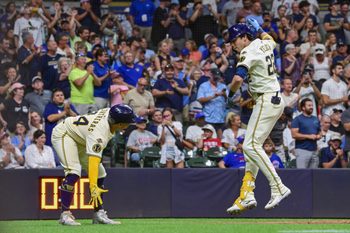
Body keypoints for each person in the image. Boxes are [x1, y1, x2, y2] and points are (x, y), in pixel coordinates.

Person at [226, 19, 291, 215]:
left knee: (250, 146)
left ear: (245, 38)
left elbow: (238, 78)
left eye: (234, 40)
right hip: (272, 99)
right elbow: (269, 38)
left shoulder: (248, 51)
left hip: (266, 99)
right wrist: (261, 28)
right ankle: (247, 194)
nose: (232, 45)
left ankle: (278, 186)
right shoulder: (264, 44)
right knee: (251, 148)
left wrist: (230, 94)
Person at [52, 104, 135, 225]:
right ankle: (65, 215)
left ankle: (98, 214)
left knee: (101, 173)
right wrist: (93, 186)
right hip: (65, 134)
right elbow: (93, 162)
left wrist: (94, 184)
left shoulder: (111, 114)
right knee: (74, 172)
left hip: (82, 137)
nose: (130, 124)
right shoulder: (99, 134)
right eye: (128, 122)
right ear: (120, 124)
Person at [291, 98, 321, 168]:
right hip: (302, 150)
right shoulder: (297, 119)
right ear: (303, 108)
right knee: (302, 175)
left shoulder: (315, 119)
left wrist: (319, 135)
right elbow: (294, 134)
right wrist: (309, 136)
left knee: (314, 175)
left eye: (312, 105)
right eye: (309, 105)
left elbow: (319, 131)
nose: (311, 107)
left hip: (314, 150)